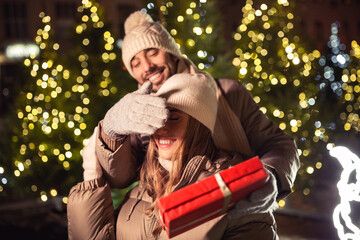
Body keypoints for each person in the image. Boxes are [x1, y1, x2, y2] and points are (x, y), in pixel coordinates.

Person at [84, 10, 299, 201]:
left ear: (171, 52)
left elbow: (278, 144)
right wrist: (112, 129)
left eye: (152, 52)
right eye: (136, 63)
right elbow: (120, 178)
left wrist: (267, 177)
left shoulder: (226, 93)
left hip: (232, 212)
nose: (147, 66)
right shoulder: (137, 114)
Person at [67, 73, 279, 239]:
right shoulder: (145, 184)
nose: (161, 128)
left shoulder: (234, 193)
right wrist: (91, 183)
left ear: (200, 127)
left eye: (174, 118)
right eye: (159, 117)